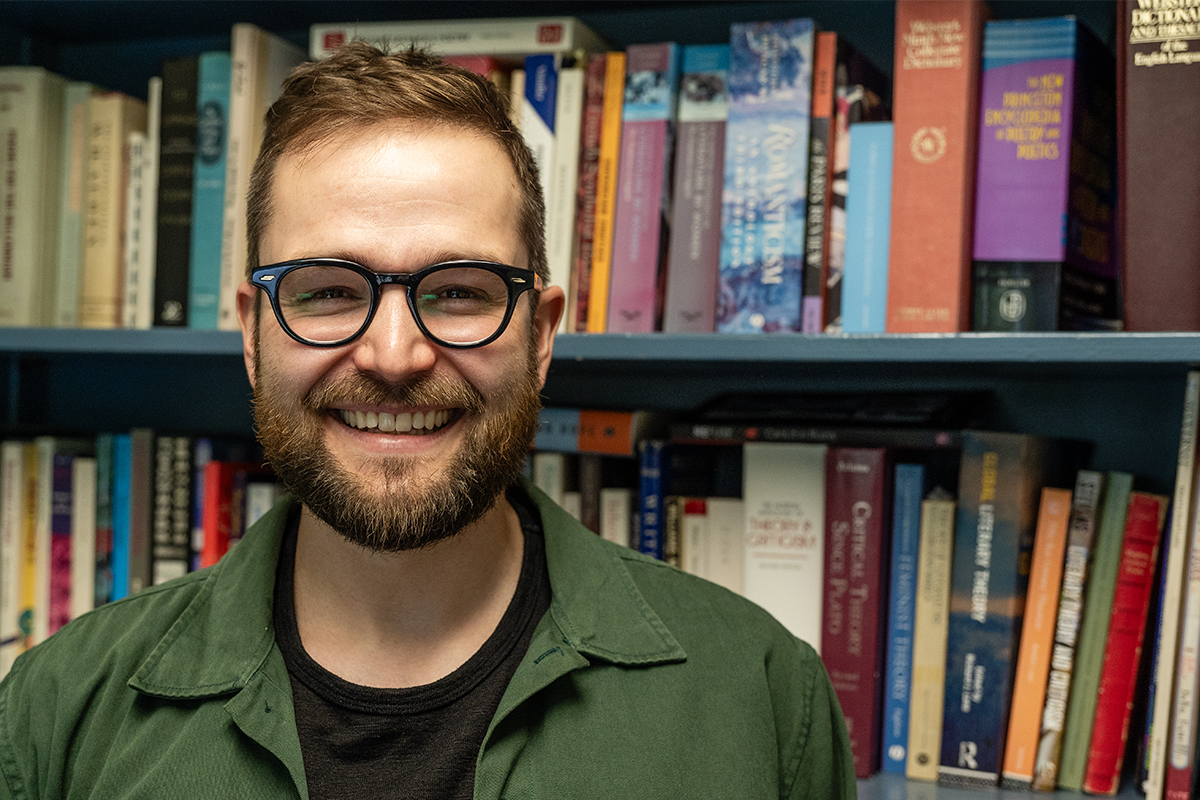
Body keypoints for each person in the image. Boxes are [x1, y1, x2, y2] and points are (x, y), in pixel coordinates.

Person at [0, 43, 855, 799]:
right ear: (253, 337)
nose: (395, 355)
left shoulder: (762, 697)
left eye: (458, 292)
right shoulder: (58, 713)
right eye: (330, 291)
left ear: (542, 334)